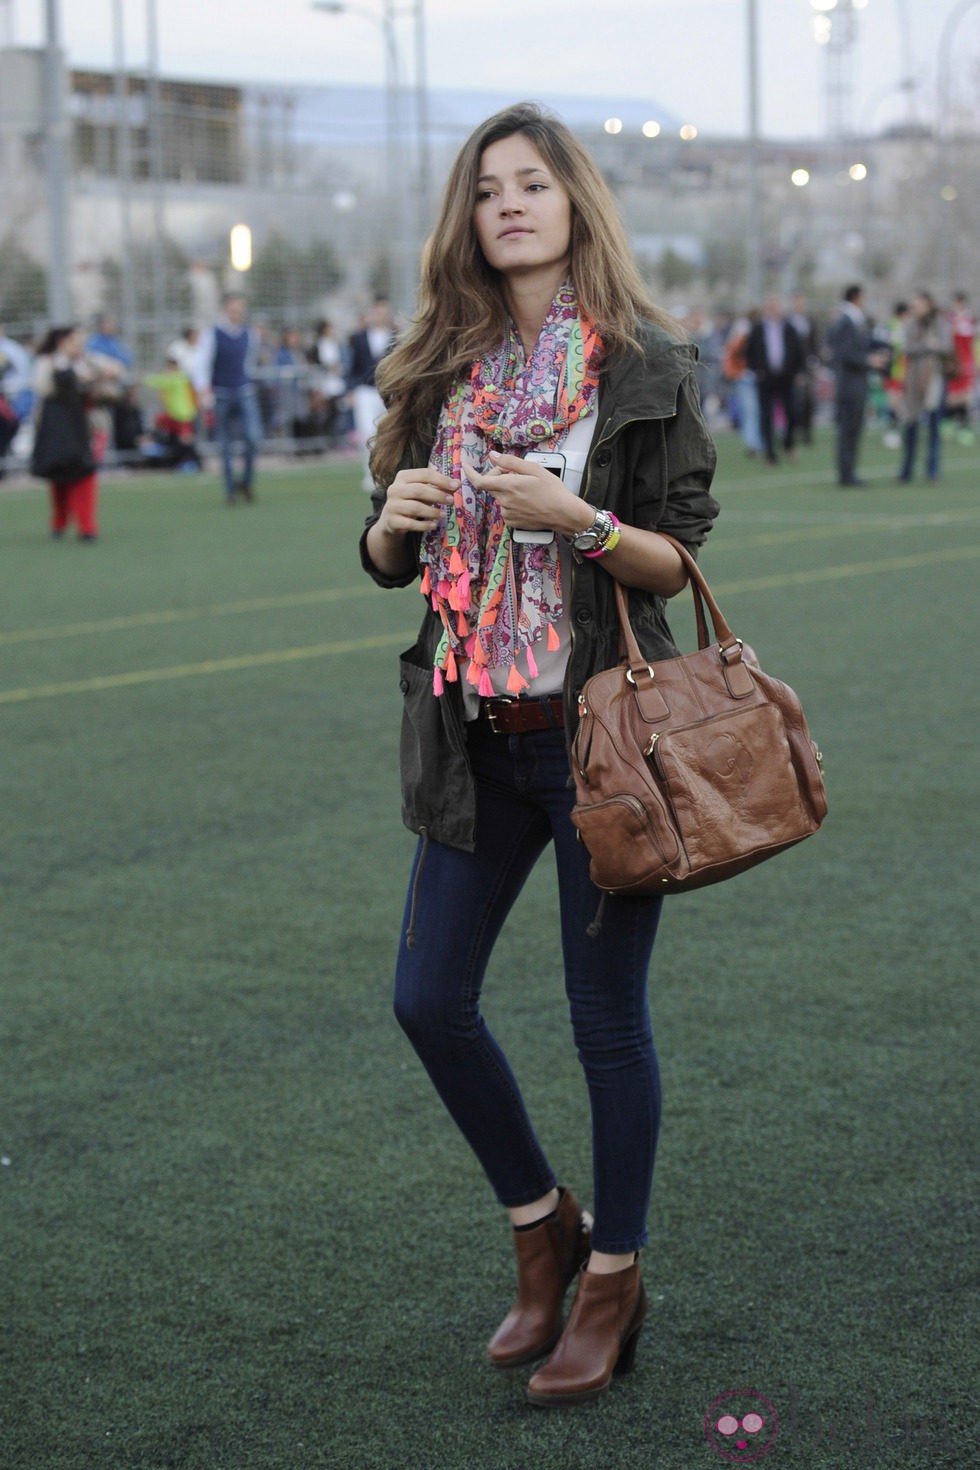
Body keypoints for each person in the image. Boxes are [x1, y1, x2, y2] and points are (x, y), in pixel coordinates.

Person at [359, 101, 719, 1408]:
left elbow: (679, 555)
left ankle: (612, 1279)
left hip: (596, 738)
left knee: (603, 1023)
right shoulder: (435, 375)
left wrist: (580, 520)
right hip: (473, 734)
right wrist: (390, 528)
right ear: (468, 219)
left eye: (533, 183)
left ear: (574, 203)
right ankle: (541, 1222)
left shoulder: (643, 367)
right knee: (425, 999)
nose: (508, 203)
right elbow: (391, 549)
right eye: (487, 188)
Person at [31, 325, 122, 540]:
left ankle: (86, 525)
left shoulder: (88, 360)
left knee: (85, 472)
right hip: (57, 427)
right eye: (75, 341)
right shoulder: (48, 362)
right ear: (62, 342)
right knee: (59, 474)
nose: (79, 346)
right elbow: (42, 388)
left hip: (87, 427)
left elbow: (117, 369)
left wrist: (103, 375)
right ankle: (60, 520)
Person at [193, 291, 262, 503]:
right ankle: (230, 489)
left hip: (243, 390)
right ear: (227, 309)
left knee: (252, 437)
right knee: (225, 445)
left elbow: (250, 362)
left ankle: (247, 482)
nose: (238, 313)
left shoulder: (250, 334)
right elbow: (202, 363)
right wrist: (204, 389)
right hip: (221, 393)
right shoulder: (212, 334)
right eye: (235, 309)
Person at [825, 284, 889, 488]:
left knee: (854, 428)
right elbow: (845, 354)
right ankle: (846, 473)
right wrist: (869, 360)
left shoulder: (853, 320)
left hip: (856, 382)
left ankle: (850, 471)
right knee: (848, 428)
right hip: (849, 383)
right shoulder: (845, 321)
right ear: (857, 297)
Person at [898, 291, 951, 483]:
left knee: (934, 426)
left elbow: (946, 346)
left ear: (928, 305)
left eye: (919, 304)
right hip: (914, 377)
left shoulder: (940, 323)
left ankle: (932, 470)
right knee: (910, 423)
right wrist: (928, 345)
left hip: (935, 377)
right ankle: (906, 470)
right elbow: (907, 347)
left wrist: (930, 346)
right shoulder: (910, 324)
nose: (916, 308)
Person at [745, 295, 804, 465]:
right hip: (765, 378)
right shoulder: (757, 329)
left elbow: (799, 351)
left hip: (787, 378)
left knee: (792, 413)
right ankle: (770, 453)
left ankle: (788, 443)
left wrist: (798, 372)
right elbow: (749, 353)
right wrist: (757, 370)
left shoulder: (789, 328)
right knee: (766, 416)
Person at [347, 297, 396, 491]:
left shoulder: (396, 336)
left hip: (387, 391)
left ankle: (386, 472)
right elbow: (352, 367)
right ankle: (370, 474)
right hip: (365, 391)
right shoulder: (359, 338)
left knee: (386, 434)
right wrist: (350, 390)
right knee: (367, 432)